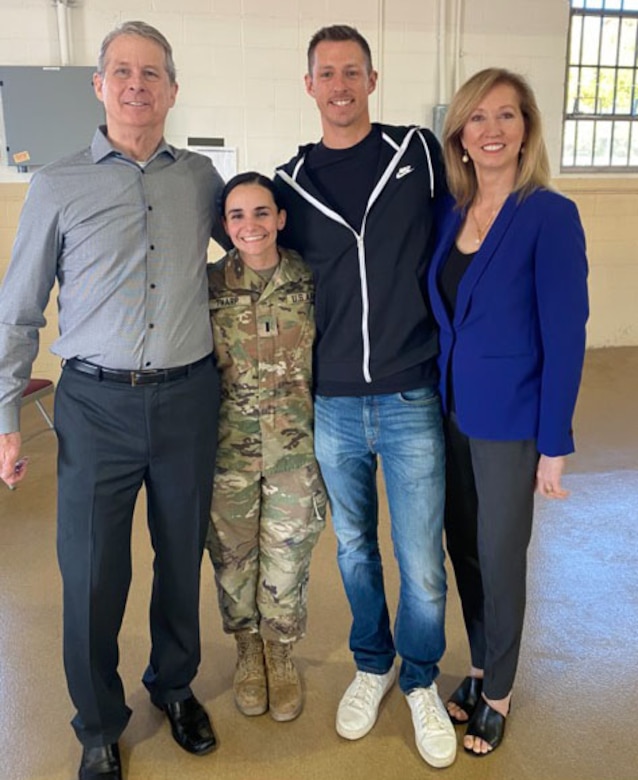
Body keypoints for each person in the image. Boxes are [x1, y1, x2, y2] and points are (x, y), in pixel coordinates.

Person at [0, 20, 227, 780]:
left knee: (180, 559)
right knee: (93, 572)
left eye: (152, 72)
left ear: (171, 89)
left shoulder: (200, 180)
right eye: (122, 72)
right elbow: (18, 310)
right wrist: (5, 417)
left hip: (188, 400)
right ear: (99, 86)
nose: (137, 85)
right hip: (94, 407)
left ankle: (174, 685)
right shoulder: (57, 183)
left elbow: (255, 247)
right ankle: (98, 723)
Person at [274, 25, 456, 769]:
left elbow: (460, 237)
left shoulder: (416, 153)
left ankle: (419, 681)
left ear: (373, 80)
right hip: (335, 404)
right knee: (352, 550)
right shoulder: (287, 184)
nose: (340, 84)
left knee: (420, 561)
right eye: (327, 73)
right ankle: (373, 664)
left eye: (353, 71)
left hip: (411, 393)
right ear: (309, 84)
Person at [427, 68, 589, 756]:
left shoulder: (548, 215)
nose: (491, 130)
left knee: (499, 555)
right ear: (460, 135)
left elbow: (566, 333)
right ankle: (478, 665)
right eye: (478, 118)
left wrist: (553, 444)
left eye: (506, 117)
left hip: (510, 421)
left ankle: (500, 692)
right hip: (449, 415)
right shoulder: (450, 214)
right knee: (463, 549)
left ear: (527, 131)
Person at [205, 171, 326, 724]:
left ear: (280, 218)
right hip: (226, 452)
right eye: (236, 215)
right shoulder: (206, 285)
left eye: (260, 213)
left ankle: (280, 651)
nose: (249, 225)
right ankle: (247, 651)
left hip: (295, 453)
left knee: (287, 559)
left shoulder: (311, 280)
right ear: (224, 226)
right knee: (232, 560)